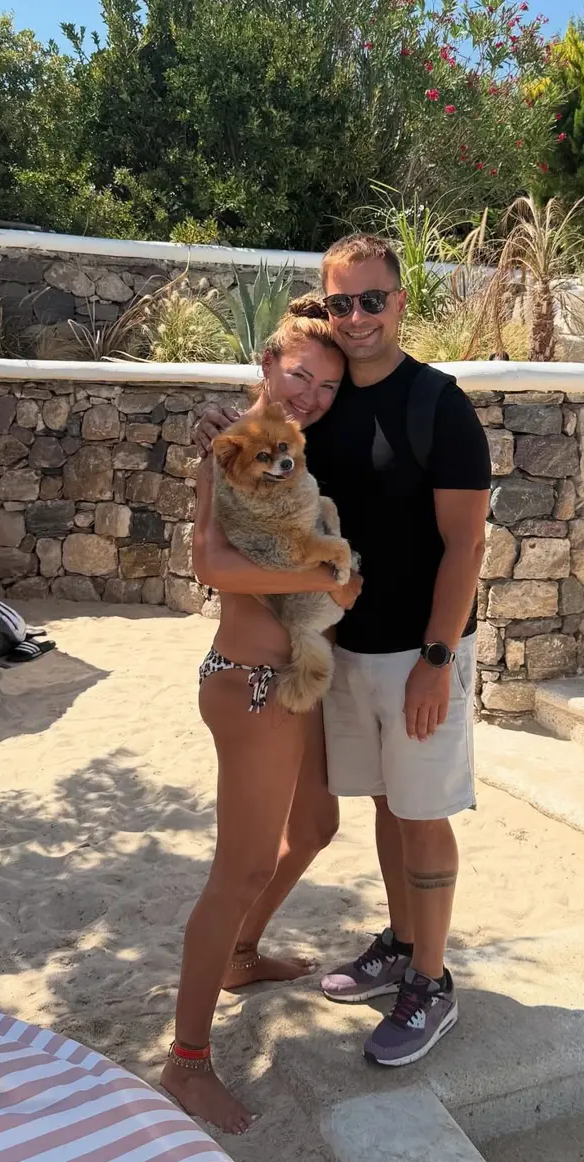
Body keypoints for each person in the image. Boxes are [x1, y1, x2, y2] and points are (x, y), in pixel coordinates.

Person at [195, 233, 491, 1072]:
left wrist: (438, 658)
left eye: (371, 300)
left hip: (419, 651)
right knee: (388, 806)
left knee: (422, 814)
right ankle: (401, 943)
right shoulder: (321, 405)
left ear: (400, 302)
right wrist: (222, 424)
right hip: (345, 648)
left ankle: (431, 982)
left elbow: (467, 545)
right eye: (341, 302)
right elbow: (265, 453)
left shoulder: (438, 404)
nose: (356, 317)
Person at [161, 297, 362, 1135]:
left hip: (294, 678)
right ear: (268, 364)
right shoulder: (231, 446)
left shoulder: (294, 450)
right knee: (238, 869)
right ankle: (186, 1062)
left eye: (327, 385)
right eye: (300, 374)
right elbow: (212, 563)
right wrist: (323, 580)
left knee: (314, 826)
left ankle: (242, 956)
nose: (310, 394)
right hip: (248, 682)